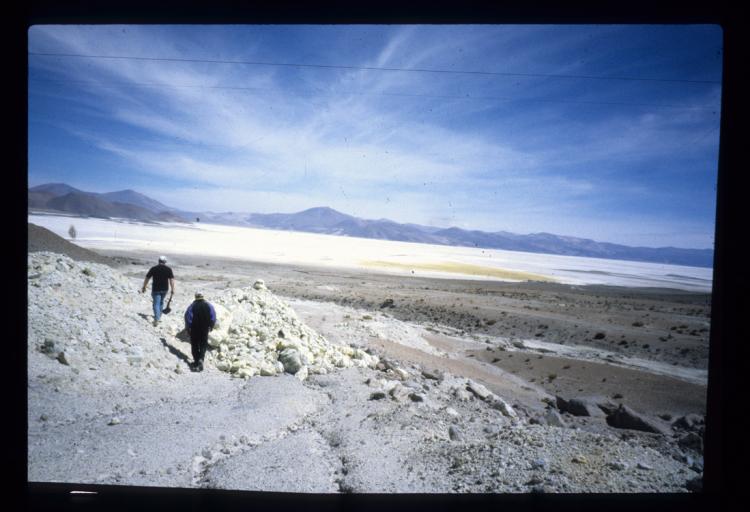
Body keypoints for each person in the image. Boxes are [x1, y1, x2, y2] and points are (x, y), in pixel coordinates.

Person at [184, 292, 216, 372]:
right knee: (203, 344)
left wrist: (188, 328)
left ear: (195, 297)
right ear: (203, 297)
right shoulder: (209, 305)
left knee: (194, 345)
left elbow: (188, 317)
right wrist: (211, 326)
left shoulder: (192, 306)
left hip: (194, 329)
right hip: (205, 328)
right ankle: (201, 359)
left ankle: (196, 361)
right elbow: (213, 316)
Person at [141, 255, 175, 326]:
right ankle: (158, 316)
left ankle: (157, 319)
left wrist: (144, 286)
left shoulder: (153, 268)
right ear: (165, 262)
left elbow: (147, 278)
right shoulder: (168, 269)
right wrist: (172, 289)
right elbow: (171, 280)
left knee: (156, 303)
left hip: (156, 289)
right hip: (165, 289)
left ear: (158, 261)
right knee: (161, 302)